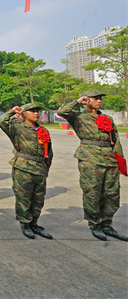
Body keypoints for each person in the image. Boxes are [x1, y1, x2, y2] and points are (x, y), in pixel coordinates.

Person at [58, 90, 127, 241]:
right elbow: (61, 112)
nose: (99, 100)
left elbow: (115, 140)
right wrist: (77, 101)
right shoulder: (78, 116)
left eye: (100, 98)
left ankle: (107, 224)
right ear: (87, 100)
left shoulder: (106, 118)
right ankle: (95, 224)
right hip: (90, 158)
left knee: (112, 194)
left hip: (109, 159)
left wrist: (119, 160)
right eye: (95, 98)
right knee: (93, 192)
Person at [0, 103, 54, 239]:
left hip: (40, 168)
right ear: (24, 113)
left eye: (37, 111)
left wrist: (47, 168)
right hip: (23, 167)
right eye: (32, 111)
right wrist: (12, 111)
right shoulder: (17, 127)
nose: (36, 113)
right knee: (24, 198)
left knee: (38, 199)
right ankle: (25, 223)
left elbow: (49, 152)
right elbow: (0, 121)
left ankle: (34, 223)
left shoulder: (43, 130)